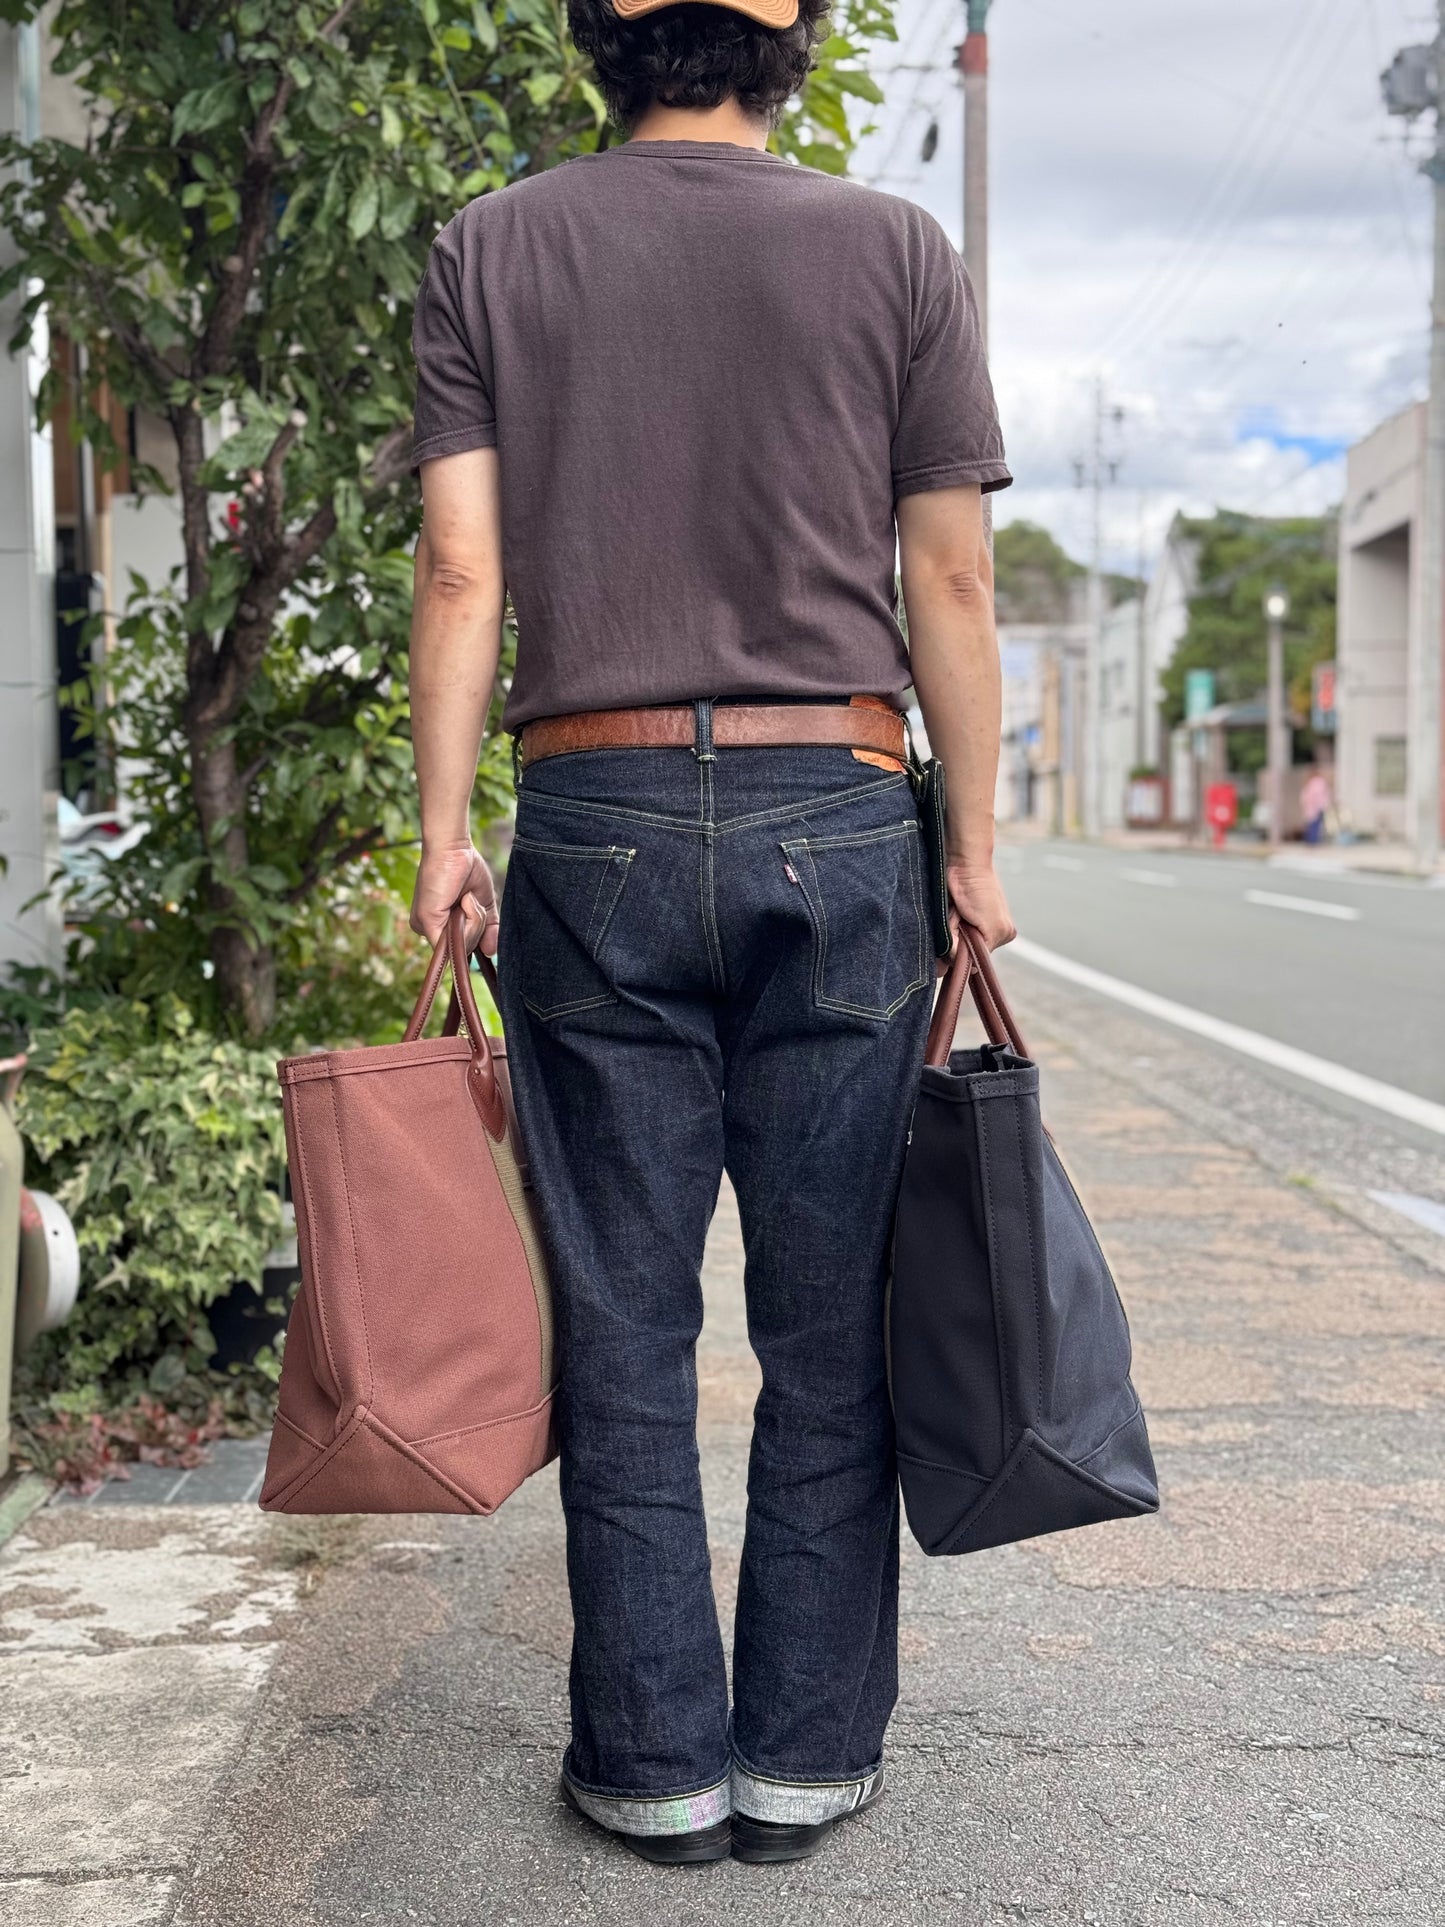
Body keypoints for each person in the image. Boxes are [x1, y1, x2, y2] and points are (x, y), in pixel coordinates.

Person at [406, 0, 1014, 1869]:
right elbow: (950, 573)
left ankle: (654, 1762)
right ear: (788, 45)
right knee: (831, 1322)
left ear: (600, 44)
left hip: (588, 815)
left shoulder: (491, 247)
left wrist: (440, 836)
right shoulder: (894, 249)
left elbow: (461, 567)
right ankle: (805, 1755)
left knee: (624, 1315)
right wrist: (973, 849)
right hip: (839, 803)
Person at [1300, 766, 1332, 845]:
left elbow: (1305, 795)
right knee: (1316, 825)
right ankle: (1314, 840)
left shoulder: (1310, 782)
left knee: (1312, 824)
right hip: (1318, 806)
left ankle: (1311, 840)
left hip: (1311, 807)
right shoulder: (1320, 782)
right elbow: (1322, 795)